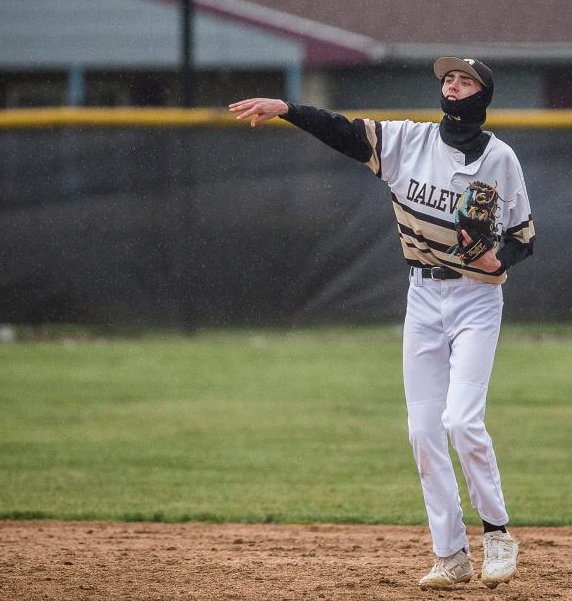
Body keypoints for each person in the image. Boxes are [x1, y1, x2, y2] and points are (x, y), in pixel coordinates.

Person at [229, 57, 534, 590]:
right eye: (447, 78)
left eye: (464, 80)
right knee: (422, 432)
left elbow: (524, 238)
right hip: (423, 297)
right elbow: (344, 131)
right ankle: (451, 555)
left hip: (476, 299)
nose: (452, 85)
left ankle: (498, 535)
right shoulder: (406, 142)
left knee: (461, 421)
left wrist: (499, 260)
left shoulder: (500, 159)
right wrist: (288, 110)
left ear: (482, 95)